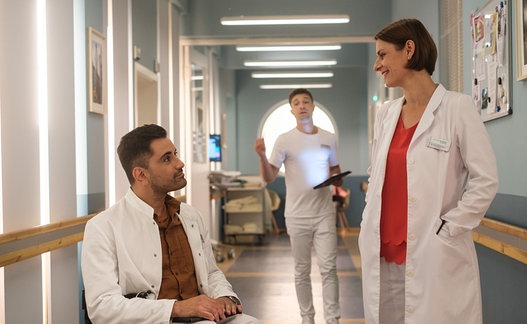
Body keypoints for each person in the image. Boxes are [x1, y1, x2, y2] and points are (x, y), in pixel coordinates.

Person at [359, 19, 499, 324]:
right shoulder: (386, 115)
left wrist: (450, 227)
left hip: (432, 253)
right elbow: (377, 176)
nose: (377, 65)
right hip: (383, 255)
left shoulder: (457, 109)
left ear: (409, 49)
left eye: (382, 55)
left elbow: (485, 180)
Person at [82, 124, 259, 324]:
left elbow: (210, 273)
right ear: (141, 175)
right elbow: (102, 307)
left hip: (204, 317)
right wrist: (177, 308)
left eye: (175, 154)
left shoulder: (190, 216)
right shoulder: (103, 227)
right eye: (167, 159)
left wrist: (225, 297)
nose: (180, 163)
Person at [254, 88, 342, 324]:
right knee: (302, 271)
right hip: (297, 216)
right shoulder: (284, 139)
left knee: (329, 268)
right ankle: (307, 318)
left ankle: (333, 319)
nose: (302, 105)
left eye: (306, 101)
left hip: (324, 212)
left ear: (313, 106)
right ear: (291, 110)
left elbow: (335, 169)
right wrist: (262, 155)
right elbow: (270, 176)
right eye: (296, 103)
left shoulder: (328, 137)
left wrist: (337, 178)